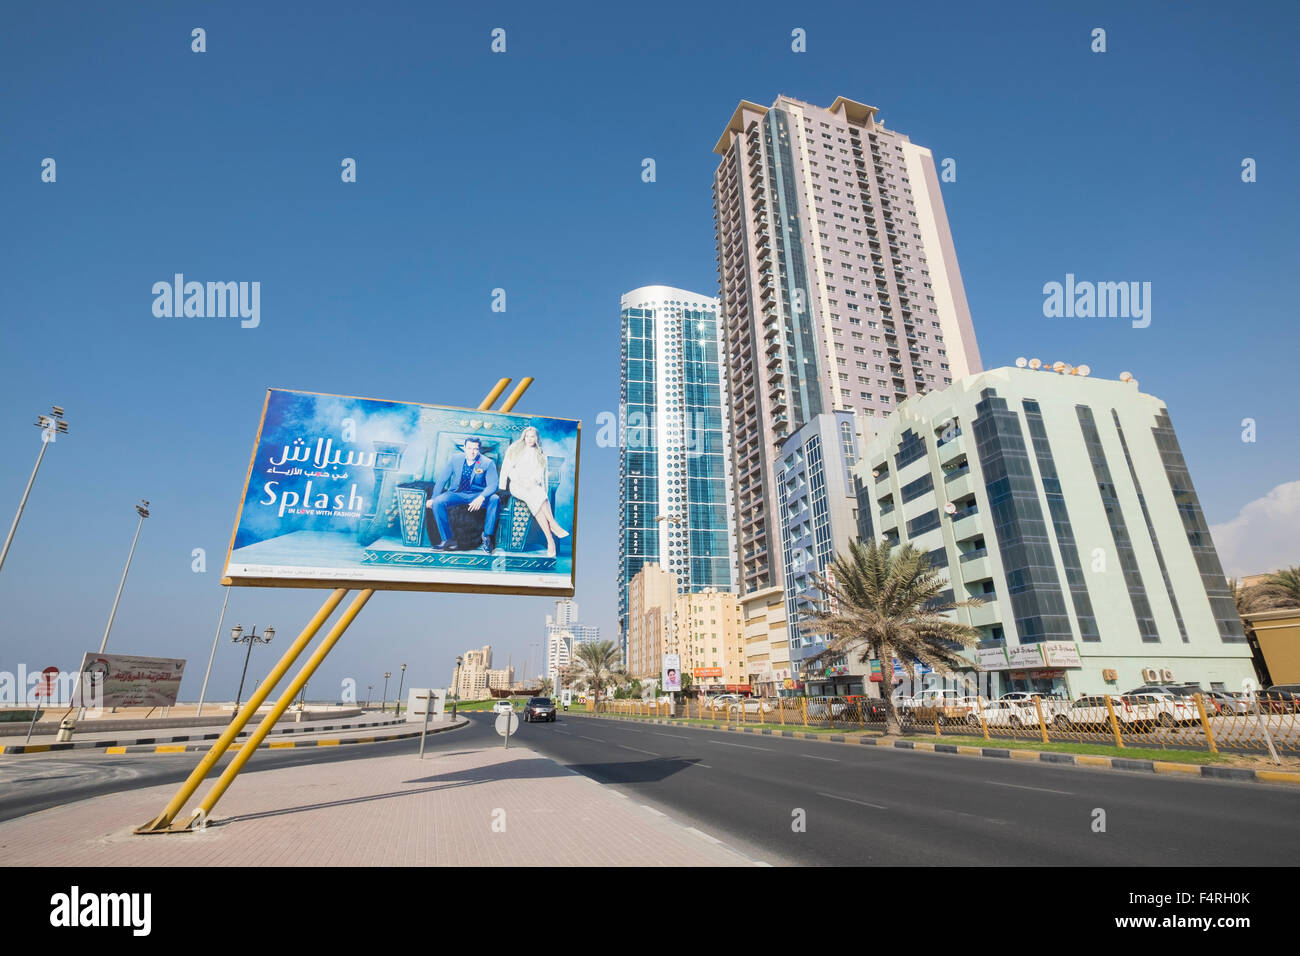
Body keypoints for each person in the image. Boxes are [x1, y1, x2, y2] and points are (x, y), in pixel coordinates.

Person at [498, 425, 570, 557]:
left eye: (533, 436)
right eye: (527, 436)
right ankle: (553, 525)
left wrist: (532, 481)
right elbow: (507, 469)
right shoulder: (515, 449)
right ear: (524, 437)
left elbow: (539, 475)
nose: (530, 439)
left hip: (532, 485)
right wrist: (514, 482)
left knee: (537, 497)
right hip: (517, 485)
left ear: (537, 438)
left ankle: (550, 541)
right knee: (538, 495)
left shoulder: (540, 453)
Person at [428, 437, 501, 553]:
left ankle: (487, 537)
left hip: (477, 495)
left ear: (479, 450)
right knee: (438, 502)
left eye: (475, 449)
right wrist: (433, 498)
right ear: (464, 448)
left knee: (495, 498)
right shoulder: (455, 459)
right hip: (458, 493)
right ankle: (448, 540)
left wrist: (481, 497)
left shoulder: (487, 463)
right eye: (469, 448)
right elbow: (442, 480)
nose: (472, 452)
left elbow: (493, 485)